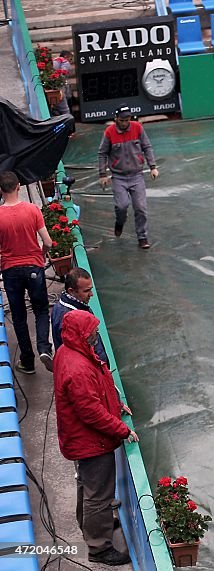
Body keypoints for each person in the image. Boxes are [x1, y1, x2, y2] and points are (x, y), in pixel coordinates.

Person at [53, 309, 137, 567]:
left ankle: (91, 525)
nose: (95, 336)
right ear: (81, 334)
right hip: (91, 442)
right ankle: (99, 547)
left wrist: (116, 403)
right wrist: (122, 429)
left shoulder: (68, 352)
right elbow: (90, 411)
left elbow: (97, 391)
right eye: (92, 332)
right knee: (98, 495)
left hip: (80, 439)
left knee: (88, 489)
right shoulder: (78, 368)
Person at [0, 171, 54, 374]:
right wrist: (41, 256)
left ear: (1, 191)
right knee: (40, 310)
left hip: (10, 271)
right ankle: (44, 348)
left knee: (19, 315)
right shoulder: (32, 210)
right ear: (19, 187)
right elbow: (48, 241)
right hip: (34, 267)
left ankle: (27, 361)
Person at [97, 106, 159, 249]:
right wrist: (103, 174)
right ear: (116, 119)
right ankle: (120, 222)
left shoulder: (137, 128)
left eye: (128, 119)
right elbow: (102, 153)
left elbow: (147, 147)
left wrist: (153, 167)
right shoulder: (109, 132)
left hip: (137, 175)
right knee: (122, 205)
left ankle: (142, 236)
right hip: (119, 177)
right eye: (122, 120)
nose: (125, 123)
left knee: (141, 208)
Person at [51, 267, 108, 364]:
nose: (91, 294)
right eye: (86, 291)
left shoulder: (61, 308)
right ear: (71, 291)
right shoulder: (70, 321)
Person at [52, 50, 73, 117]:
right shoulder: (65, 62)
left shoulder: (54, 61)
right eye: (71, 58)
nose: (71, 61)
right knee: (65, 110)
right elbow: (62, 74)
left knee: (55, 108)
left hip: (51, 88)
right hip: (59, 88)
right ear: (66, 56)